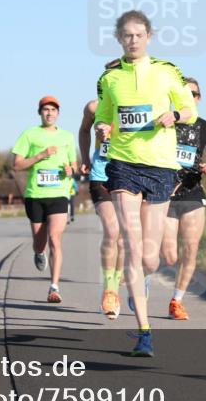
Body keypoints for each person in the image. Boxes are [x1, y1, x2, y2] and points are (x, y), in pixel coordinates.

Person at [95, 10, 196, 356]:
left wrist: (176, 115)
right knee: (133, 247)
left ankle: (137, 276)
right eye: (127, 35)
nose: (133, 40)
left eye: (138, 35)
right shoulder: (109, 79)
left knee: (150, 258)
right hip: (123, 165)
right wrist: (102, 127)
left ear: (149, 37)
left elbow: (189, 109)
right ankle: (144, 331)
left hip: (161, 166)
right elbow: (104, 113)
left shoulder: (168, 72)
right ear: (119, 39)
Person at [160, 77, 206, 320]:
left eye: (194, 94)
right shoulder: (167, 123)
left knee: (191, 249)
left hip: (193, 193)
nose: (190, 97)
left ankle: (176, 301)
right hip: (166, 194)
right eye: (185, 93)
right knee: (169, 256)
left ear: (199, 98)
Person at [11, 95, 77, 303]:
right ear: (40, 113)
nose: (50, 113)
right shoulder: (29, 135)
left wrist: (71, 169)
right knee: (40, 243)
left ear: (58, 114)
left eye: (53, 110)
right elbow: (17, 165)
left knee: (55, 239)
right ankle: (39, 253)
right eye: (46, 110)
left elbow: (74, 165)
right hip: (36, 195)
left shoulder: (67, 136)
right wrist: (40, 155)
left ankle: (54, 287)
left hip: (59, 193)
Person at [79, 98, 125, 319]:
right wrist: (86, 156)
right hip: (101, 176)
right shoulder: (93, 107)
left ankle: (116, 283)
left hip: (129, 177)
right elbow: (85, 130)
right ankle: (109, 290)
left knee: (125, 238)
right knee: (112, 231)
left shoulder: (137, 102)